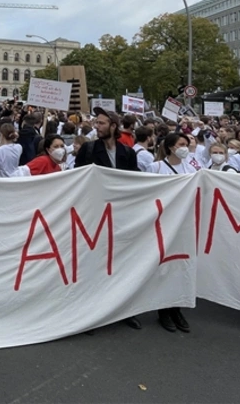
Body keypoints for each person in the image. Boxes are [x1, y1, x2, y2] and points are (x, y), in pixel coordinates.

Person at [74, 108, 141, 331]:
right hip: (95, 215)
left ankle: (123, 309)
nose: (97, 126)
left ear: (113, 126)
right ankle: (90, 312)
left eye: (102, 123)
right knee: (94, 263)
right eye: (96, 123)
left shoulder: (128, 152)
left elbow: (135, 182)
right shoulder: (89, 149)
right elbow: (76, 178)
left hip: (121, 215)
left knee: (121, 262)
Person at [146, 132, 196, 333]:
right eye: (181, 144)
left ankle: (176, 308)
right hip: (163, 224)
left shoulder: (192, 167)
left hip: (184, 224)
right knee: (163, 268)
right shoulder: (155, 168)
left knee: (180, 267)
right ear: (170, 147)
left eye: (187, 143)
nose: (185, 147)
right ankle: (163, 310)